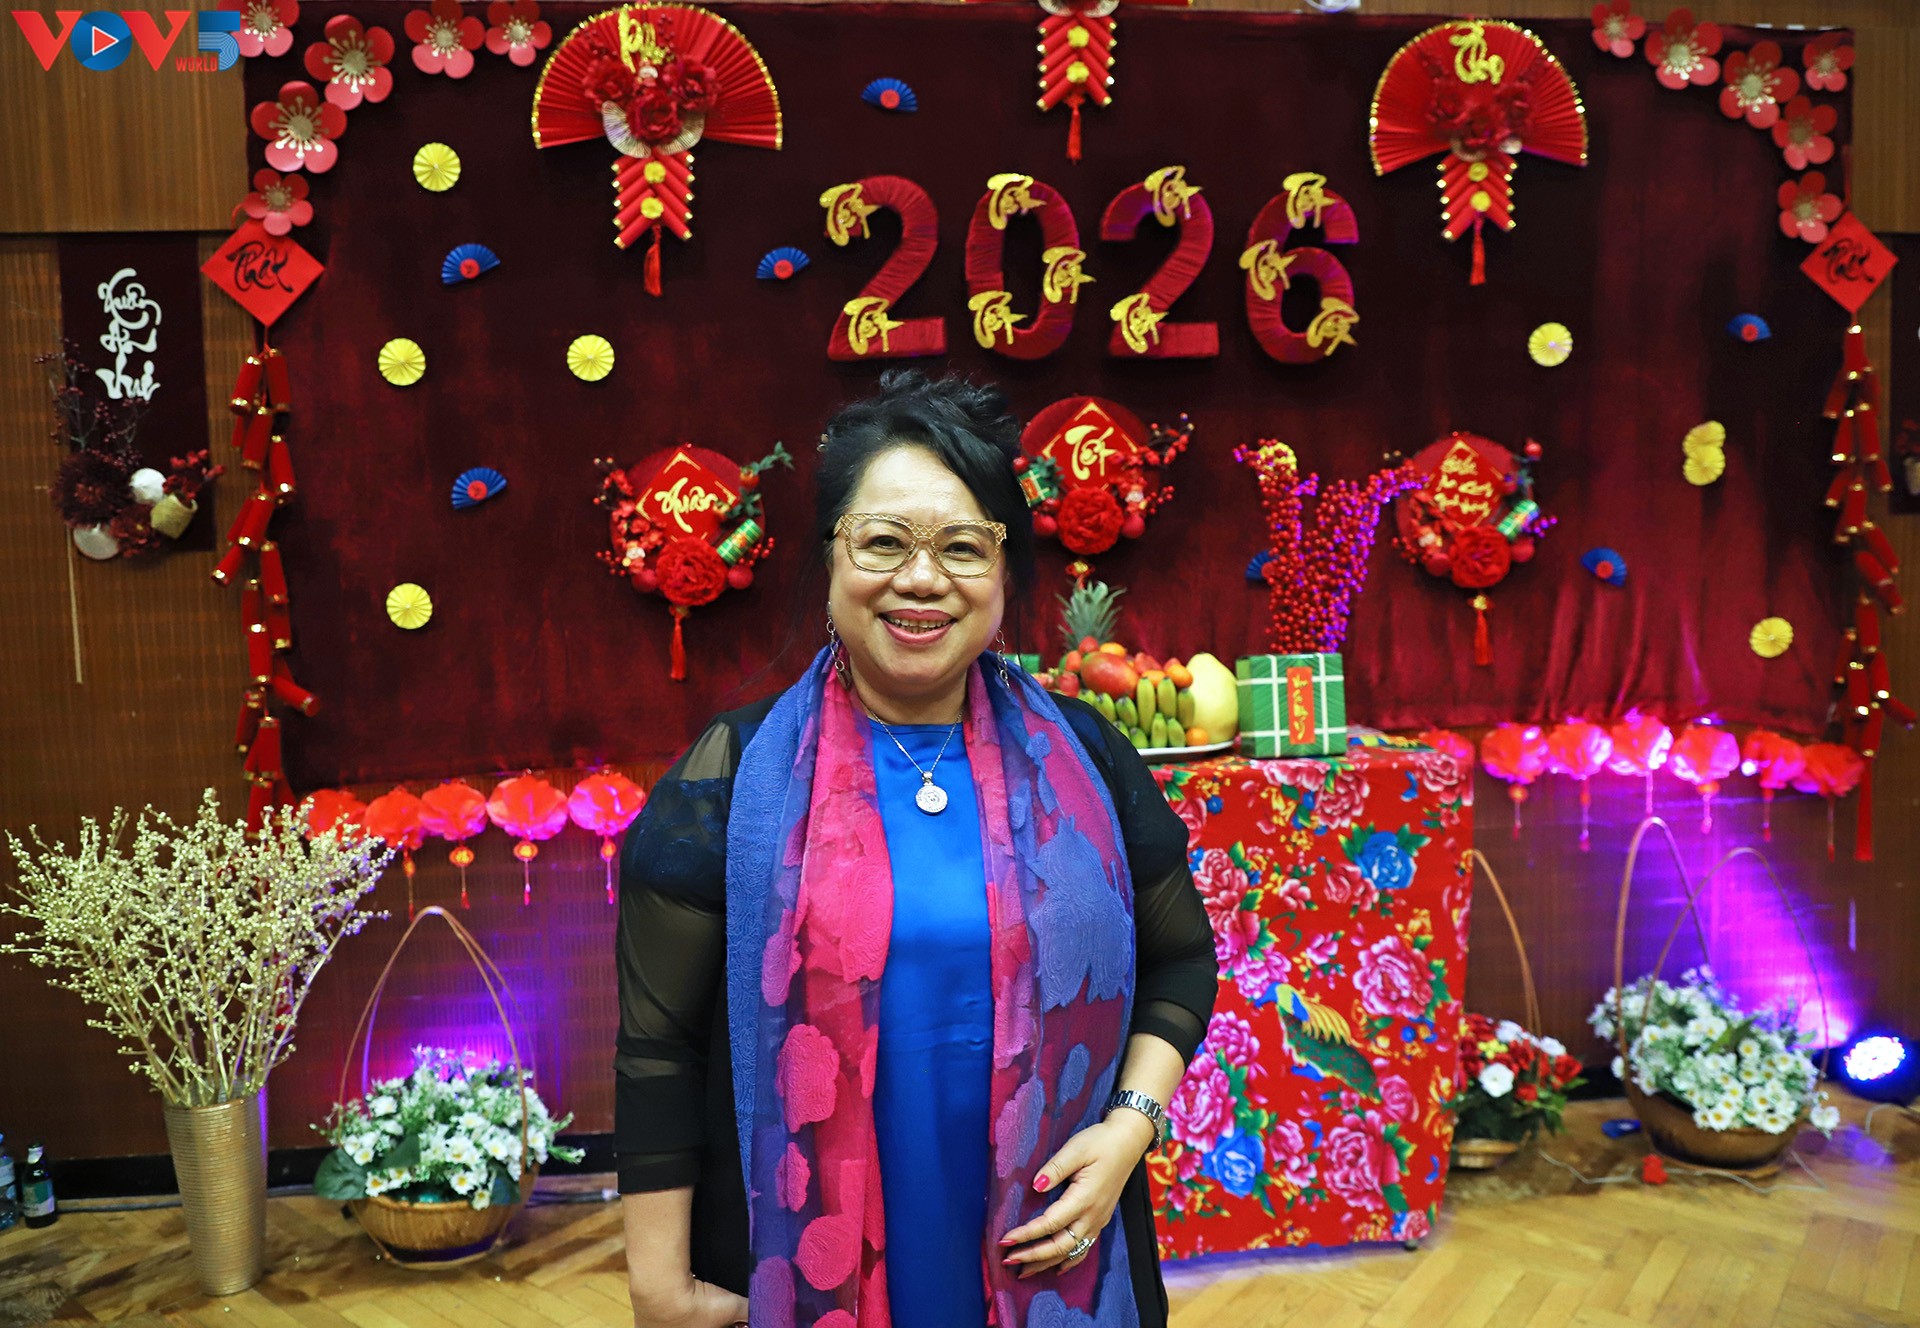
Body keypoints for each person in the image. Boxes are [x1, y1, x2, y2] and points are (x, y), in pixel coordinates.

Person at [616, 371, 1218, 1328]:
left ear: (1006, 575)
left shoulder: (1086, 759)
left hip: (1051, 1245)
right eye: (884, 541)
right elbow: (658, 1046)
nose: (923, 579)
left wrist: (1129, 1129)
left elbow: (1181, 958)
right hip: (808, 1253)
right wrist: (658, 1283)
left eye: (963, 547)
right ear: (830, 559)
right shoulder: (731, 779)